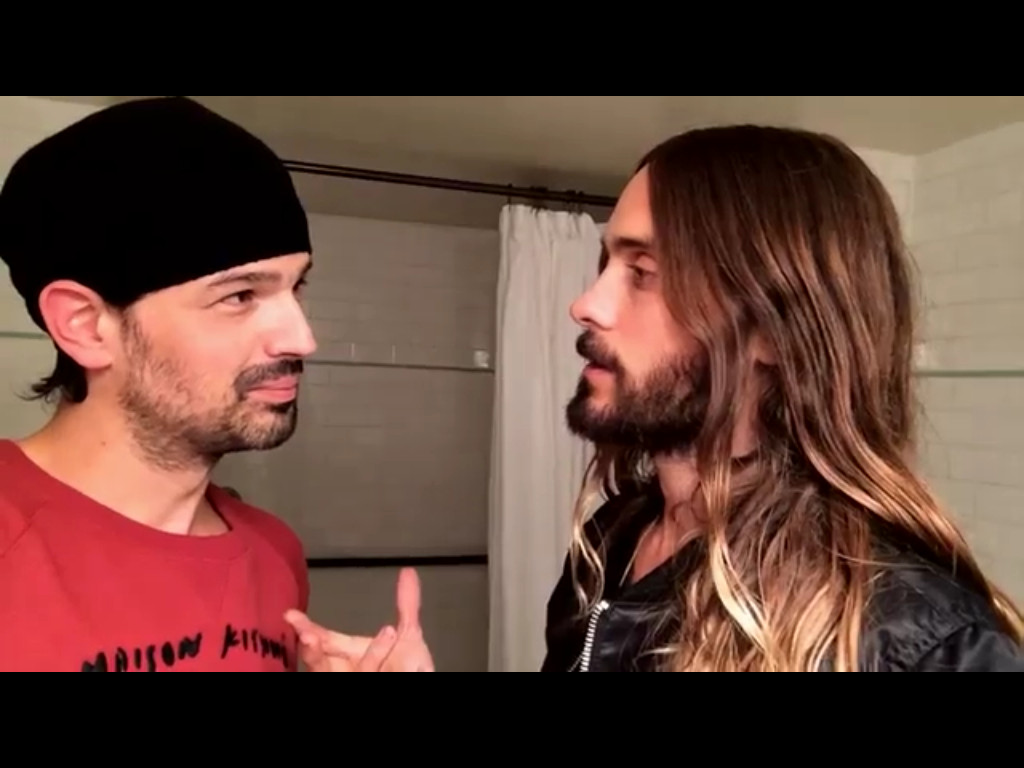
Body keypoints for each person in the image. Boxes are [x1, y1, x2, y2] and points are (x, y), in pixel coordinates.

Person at [542, 125, 1024, 672]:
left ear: (774, 329)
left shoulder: (921, 645)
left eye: (643, 273)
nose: (586, 305)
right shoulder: (612, 535)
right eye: (606, 265)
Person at [0, 96, 418, 672]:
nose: (301, 338)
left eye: (296, 287)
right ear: (86, 326)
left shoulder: (274, 555)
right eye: (239, 296)